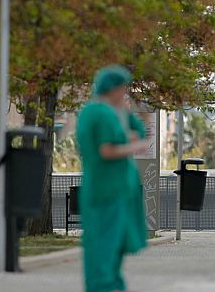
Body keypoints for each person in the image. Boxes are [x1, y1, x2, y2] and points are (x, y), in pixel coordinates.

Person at [76, 65, 148, 292]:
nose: (124, 93)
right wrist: (134, 145)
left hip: (110, 189)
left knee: (112, 241)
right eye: (123, 88)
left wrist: (130, 129)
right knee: (106, 243)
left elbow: (136, 130)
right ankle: (103, 286)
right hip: (109, 191)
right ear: (114, 88)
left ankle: (108, 284)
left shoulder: (99, 111)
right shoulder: (102, 113)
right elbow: (107, 150)